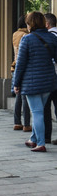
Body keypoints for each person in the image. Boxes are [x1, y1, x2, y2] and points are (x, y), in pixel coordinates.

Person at [12, 11, 57, 152]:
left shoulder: (27, 39)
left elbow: (20, 64)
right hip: (48, 82)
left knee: (37, 113)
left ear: (30, 23)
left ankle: (41, 143)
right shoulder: (52, 38)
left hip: (32, 83)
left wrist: (16, 83)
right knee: (39, 111)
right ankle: (33, 139)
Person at [11, 15, 31, 132]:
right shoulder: (26, 36)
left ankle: (17, 122)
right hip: (23, 68)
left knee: (18, 97)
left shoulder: (15, 34)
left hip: (15, 67)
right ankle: (27, 124)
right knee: (25, 97)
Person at [44, 13, 57, 144]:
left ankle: (46, 136)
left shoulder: (48, 37)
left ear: (47, 24)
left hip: (50, 75)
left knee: (45, 106)